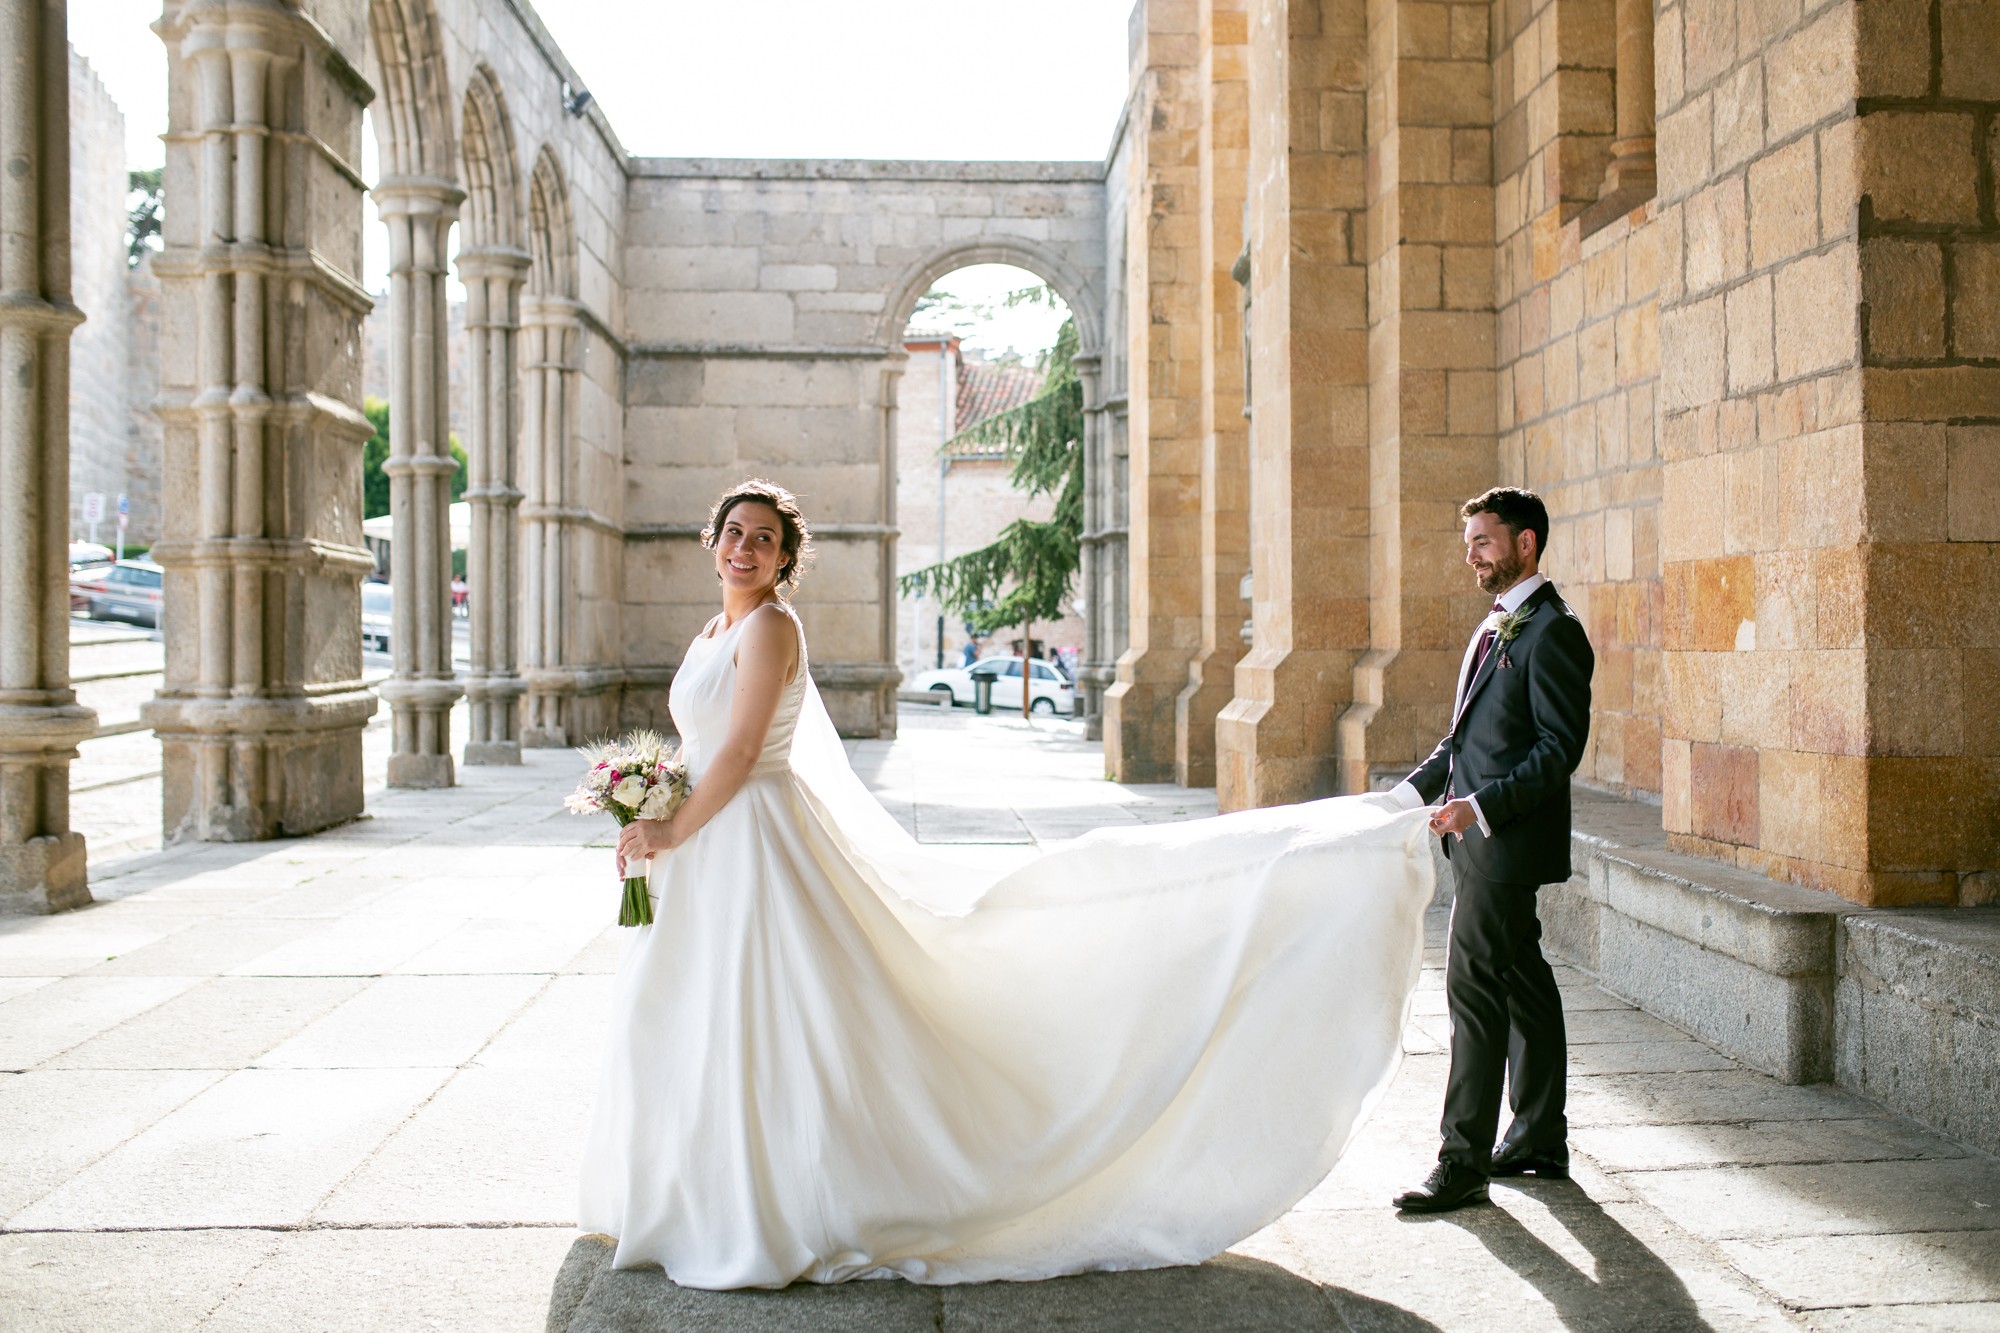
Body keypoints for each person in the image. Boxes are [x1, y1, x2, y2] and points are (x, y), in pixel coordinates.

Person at [583, 478, 1436, 1289]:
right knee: (702, 1011)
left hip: (752, 842)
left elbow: (740, 751)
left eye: (764, 539)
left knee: (762, 1013)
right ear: (713, 540)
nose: (744, 548)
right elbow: (702, 746)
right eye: (734, 532)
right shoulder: (712, 631)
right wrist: (656, 804)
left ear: (783, 559)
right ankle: (694, 1191)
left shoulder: (770, 627)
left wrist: (670, 826)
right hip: (707, 843)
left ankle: (769, 1204)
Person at [1383, 487, 1594, 1214]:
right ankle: (1539, 1136)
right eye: (1468, 542)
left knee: (1472, 990)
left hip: (1506, 842)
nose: (1471, 555)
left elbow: (1557, 749)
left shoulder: (1554, 631)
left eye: (1483, 541)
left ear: (1525, 543)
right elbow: (1463, 741)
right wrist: (1403, 798)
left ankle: (1462, 1162)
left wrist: (1479, 807)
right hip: (1473, 843)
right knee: (1522, 980)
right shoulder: (1496, 625)